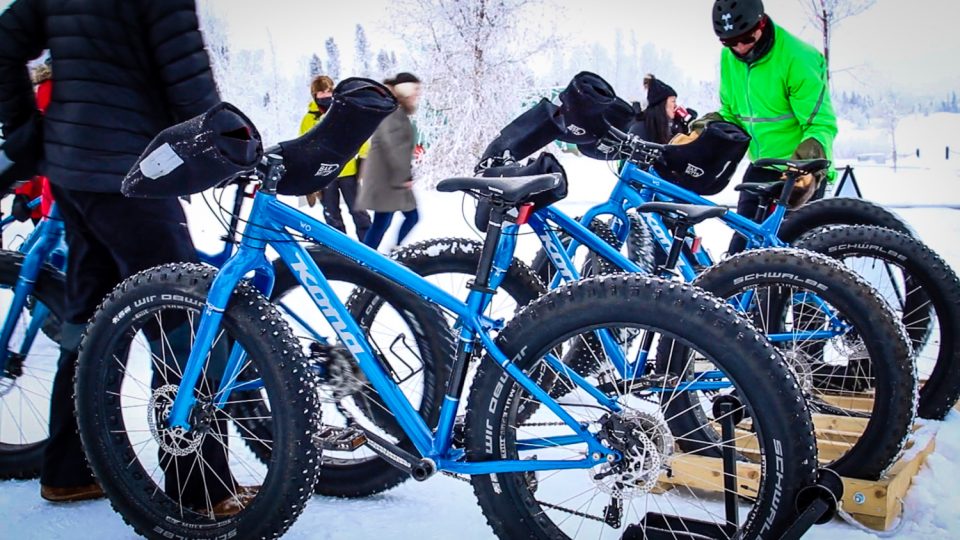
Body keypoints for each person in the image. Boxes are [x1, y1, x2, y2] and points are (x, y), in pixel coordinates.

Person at [0, 0, 242, 511]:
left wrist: (28, 134)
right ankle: (200, 488)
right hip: (135, 171)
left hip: (71, 169)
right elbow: (188, 79)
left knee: (89, 319)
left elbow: (4, 43)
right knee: (183, 315)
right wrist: (229, 151)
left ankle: (69, 469)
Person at [699, 0, 838, 253]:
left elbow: (821, 124)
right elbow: (731, 112)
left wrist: (807, 168)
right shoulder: (729, 58)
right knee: (740, 254)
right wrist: (703, 129)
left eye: (747, 38)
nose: (740, 48)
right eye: (729, 43)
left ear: (761, 23)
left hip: (801, 172)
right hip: (762, 167)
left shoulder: (798, 58)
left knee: (794, 259)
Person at [299, 74, 372, 241]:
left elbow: (360, 135)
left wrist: (364, 160)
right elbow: (303, 144)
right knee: (332, 215)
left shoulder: (344, 111)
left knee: (358, 211)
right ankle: (341, 252)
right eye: (321, 93)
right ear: (315, 95)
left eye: (328, 91)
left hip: (348, 172)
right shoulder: (309, 118)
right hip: (324, 175)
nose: (325, 96)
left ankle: (369, 247)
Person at [356, 72, 421, 250]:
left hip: (392, 179)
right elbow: (394, 148)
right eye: (415, 89)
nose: (418, 93)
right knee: (387, 223)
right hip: (388, 181)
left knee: (387, 222)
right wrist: (405, 176)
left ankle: (378, 255)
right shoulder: (392, 113)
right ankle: (370, 257)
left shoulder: (396, 112)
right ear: (404, 90)